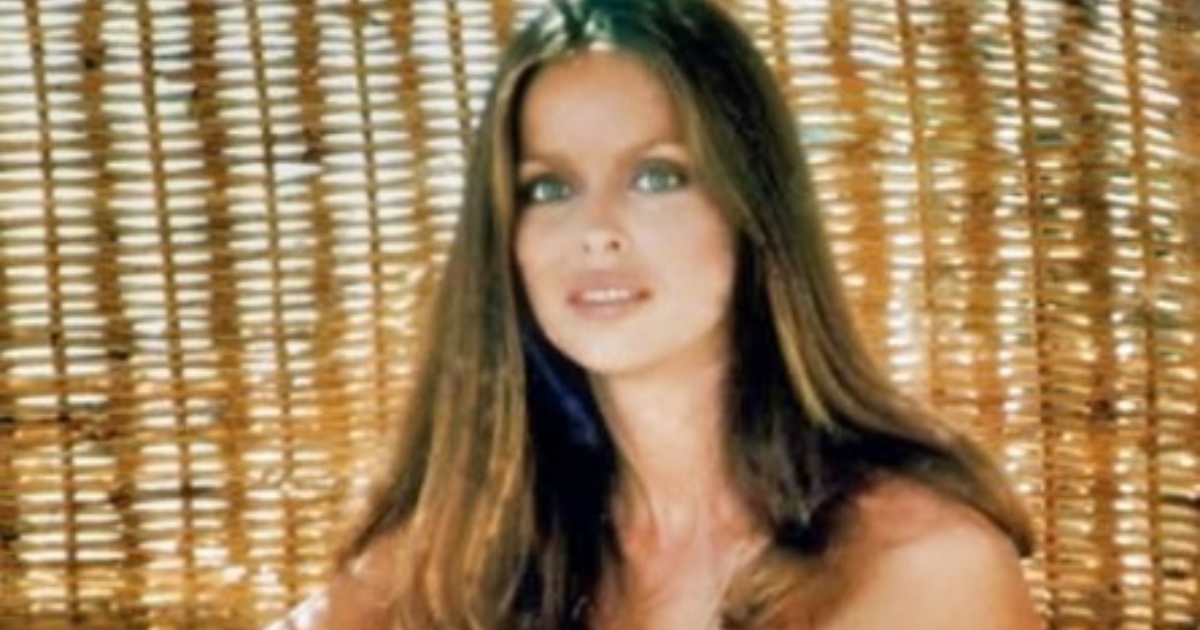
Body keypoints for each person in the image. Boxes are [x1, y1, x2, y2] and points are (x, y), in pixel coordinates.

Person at [272, 0, 1042, 627]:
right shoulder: (459, 562)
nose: (596, 230)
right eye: (549, 188)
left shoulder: (924, 564)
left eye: (656, 176)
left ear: (753, 213)